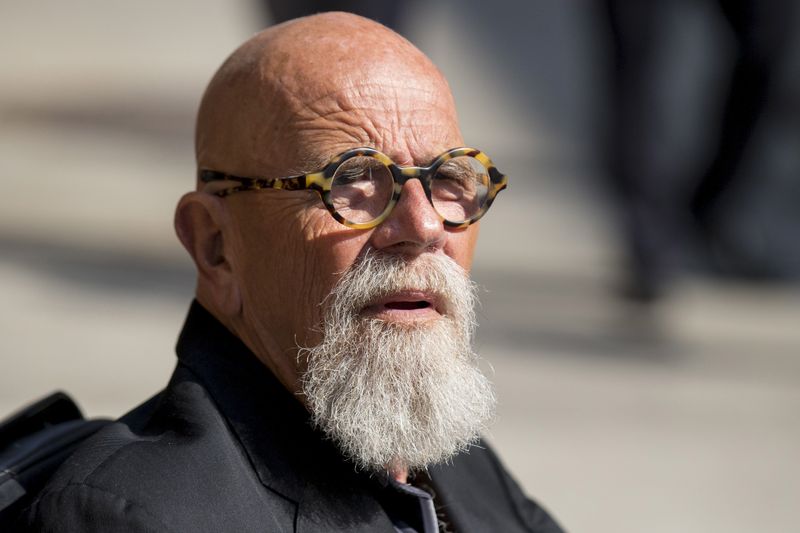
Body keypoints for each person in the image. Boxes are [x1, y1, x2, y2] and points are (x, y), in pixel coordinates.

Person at [19, 13, 563, 533]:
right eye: (352, 181)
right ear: (215, 246)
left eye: (449, 178)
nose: (423, 226)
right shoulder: (141, 517)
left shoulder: (444, 457)